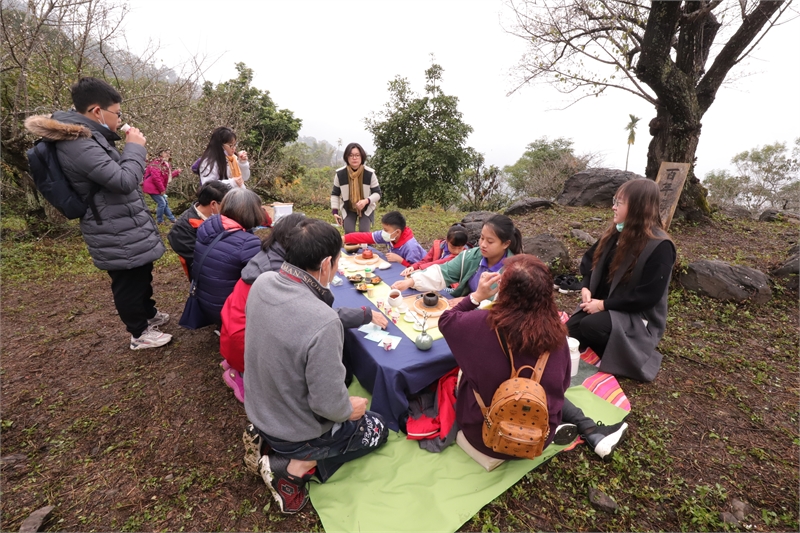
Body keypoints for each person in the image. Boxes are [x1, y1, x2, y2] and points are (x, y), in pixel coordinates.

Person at [242, 219, 389, 514]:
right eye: (337, 262)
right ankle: (291, 467)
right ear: (326, 264)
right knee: (377, 428)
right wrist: (350, 409)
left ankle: (271, 441)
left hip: (259, 407)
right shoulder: (324, 322)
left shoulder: (263, 282)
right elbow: (328, 406)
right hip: (293, 428)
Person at [24, 77, 171, 350]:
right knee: (127, 281)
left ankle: (148, 315)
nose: (118, 119)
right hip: (111, 226)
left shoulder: (89, 136)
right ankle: (139, 333)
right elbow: (124, 180)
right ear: (96, 111)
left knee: (141, 272)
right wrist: (135, 147)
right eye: (116, 113)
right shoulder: (77, 144)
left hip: (122, 220)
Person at [219, 214, 388, 402]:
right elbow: (314, 317)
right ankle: (244, 378)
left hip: (233, 335)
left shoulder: (270, 262)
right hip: (247, 350)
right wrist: (362, 315)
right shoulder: (278, 275)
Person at [438, 255, 574, 461]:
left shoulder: (477, 324)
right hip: (538, 438)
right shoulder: (559, 334)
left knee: (461, 372)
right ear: (548, 294)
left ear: (503, 290)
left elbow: (446, 320)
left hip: (482, 435)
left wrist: (476, 296)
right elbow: (563, 385)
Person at [567, 178, 677, 382]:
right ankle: (606, 346)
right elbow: (590, 262)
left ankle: (626, 352)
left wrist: (603, 305)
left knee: (591, 326)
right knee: (569, 332)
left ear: (638, 206)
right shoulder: (616, 232)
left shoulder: (660, 246)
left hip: (635, 316)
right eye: (614, 201)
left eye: (619, 202)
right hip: (605, 306)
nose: (613, 207)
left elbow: (647, 296)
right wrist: (586, 288)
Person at [391, 214, 521, 298]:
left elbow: (499, 308)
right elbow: (443, 272)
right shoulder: (472, 256)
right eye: (481, 238)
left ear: (505, 244)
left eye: (490, 241)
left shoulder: (513, 273)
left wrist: (467, 302)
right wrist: (410, 281)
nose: (483, 244)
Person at [192, 188, 264, 326]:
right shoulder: (248, 242)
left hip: (204, 302)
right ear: (253, 211)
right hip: (226, 309)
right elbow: (261, 279)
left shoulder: (208, 226)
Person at [167, 181, 229, 280]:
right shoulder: (182, 228)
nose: (228, 207)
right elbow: (199, 259)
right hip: (205, 277)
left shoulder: (220, 216)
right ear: (213, 204)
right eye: (225, 203)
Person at [330, 142, 381, 233]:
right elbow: (335, 194)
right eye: (351, 155)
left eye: (357, 155)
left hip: (366, 207)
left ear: (362, 157)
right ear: (346, 157)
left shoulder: (369, 173)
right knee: (350, 234)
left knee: (364, 233)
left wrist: (366, 201)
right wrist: (335, 212)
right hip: (348, 208)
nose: (354, 158)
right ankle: (352, 247)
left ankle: (366, 246)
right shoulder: (340, 174)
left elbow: (377, 193)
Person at [343, 210, 425, 266]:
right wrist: (344, 238)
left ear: (397, 232)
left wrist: (400, 260)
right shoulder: (390, 236)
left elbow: (417, 270)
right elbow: (365, 237)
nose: (383, 232)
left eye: (386, 230)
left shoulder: (411, 247)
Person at [400, 223, 470, 276]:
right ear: (447, 240)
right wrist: (413, 267)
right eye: (453, 247)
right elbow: (426, 260)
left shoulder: (465, 254)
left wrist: (420, 268)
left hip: (451, 285)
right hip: (432, 275)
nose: (457, 251)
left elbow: (441, 263)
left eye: (460, 248)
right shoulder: (438, 246)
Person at [142, 148, 181, 224]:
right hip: (152, 187)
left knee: (164, 202)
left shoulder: (165, 164)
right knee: (162, 203)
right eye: (166, 152)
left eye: (169, 153)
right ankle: (160, 220)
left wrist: (176, 172)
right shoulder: (156, 163)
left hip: (157, 187)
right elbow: (156, 178)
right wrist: (162, 190)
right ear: (160, 153)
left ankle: (172, 219)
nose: (168, 155)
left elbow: (166, 177)